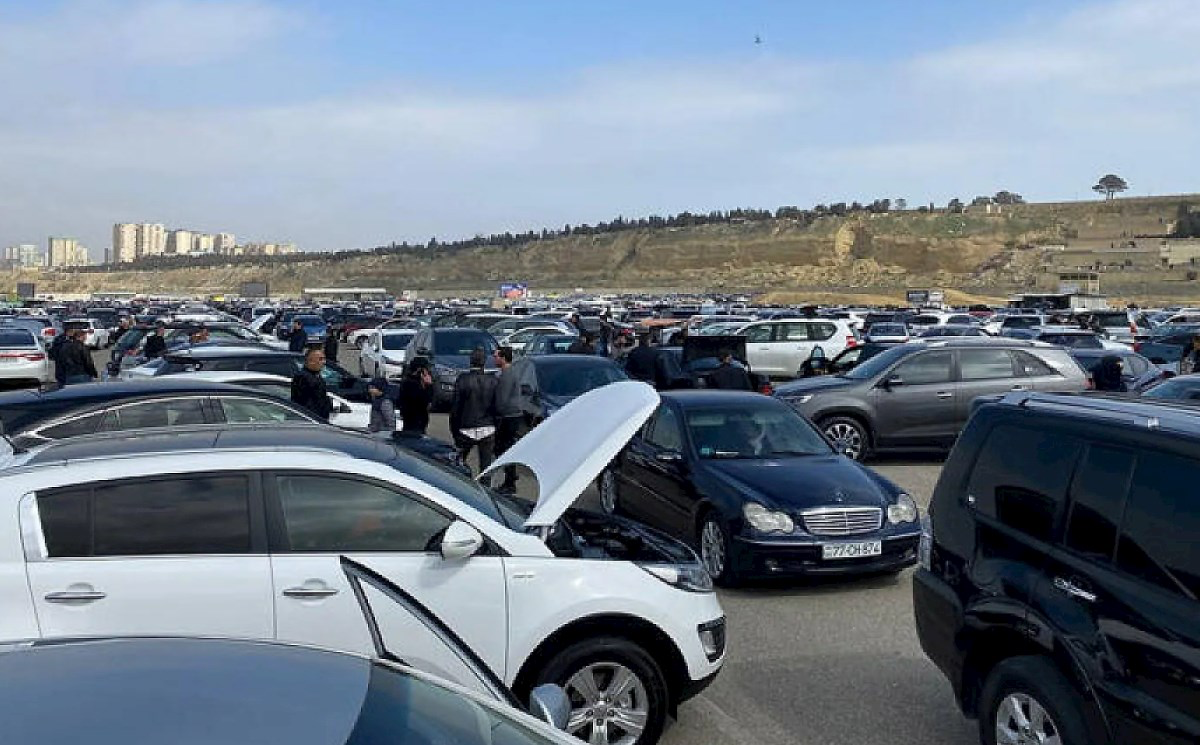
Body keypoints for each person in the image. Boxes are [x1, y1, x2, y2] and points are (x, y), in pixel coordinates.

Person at [449, 347, 498, 473]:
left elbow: (455, 408)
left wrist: (454, 431)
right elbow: (497, 407)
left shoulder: (463, 379)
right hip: (487, 427)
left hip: (466, 427)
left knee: (457, 466)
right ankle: (485, 484)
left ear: (470, 361)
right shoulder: (493, 381)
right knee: (486, 468)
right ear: (484, 362)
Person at [492, 347, 525, 493]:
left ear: (503, 358)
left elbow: (502, 400)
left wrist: (494, 414)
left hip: (508, 416)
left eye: (496, 356)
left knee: (502, 447)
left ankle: (510, 479)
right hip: (512, 415)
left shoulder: (506, 375)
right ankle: (510, 476)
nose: (494, 359)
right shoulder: (510, 372)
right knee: (505, 446)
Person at [290, 347, 333, 421]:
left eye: (324, 359)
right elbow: (305, 402)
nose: (324, 362)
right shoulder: (303, 377)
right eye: (320, 359)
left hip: (320, 419)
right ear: (310, 361)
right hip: (309, 420)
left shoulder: (316, 376)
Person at [398, 357, 435, 434]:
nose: (428, 372)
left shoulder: (411, 381)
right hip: (414, 420)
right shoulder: (411, 383)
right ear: (420, 369)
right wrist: (429, 386)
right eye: (426, 369)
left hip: (417, 420)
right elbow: (424, 400)